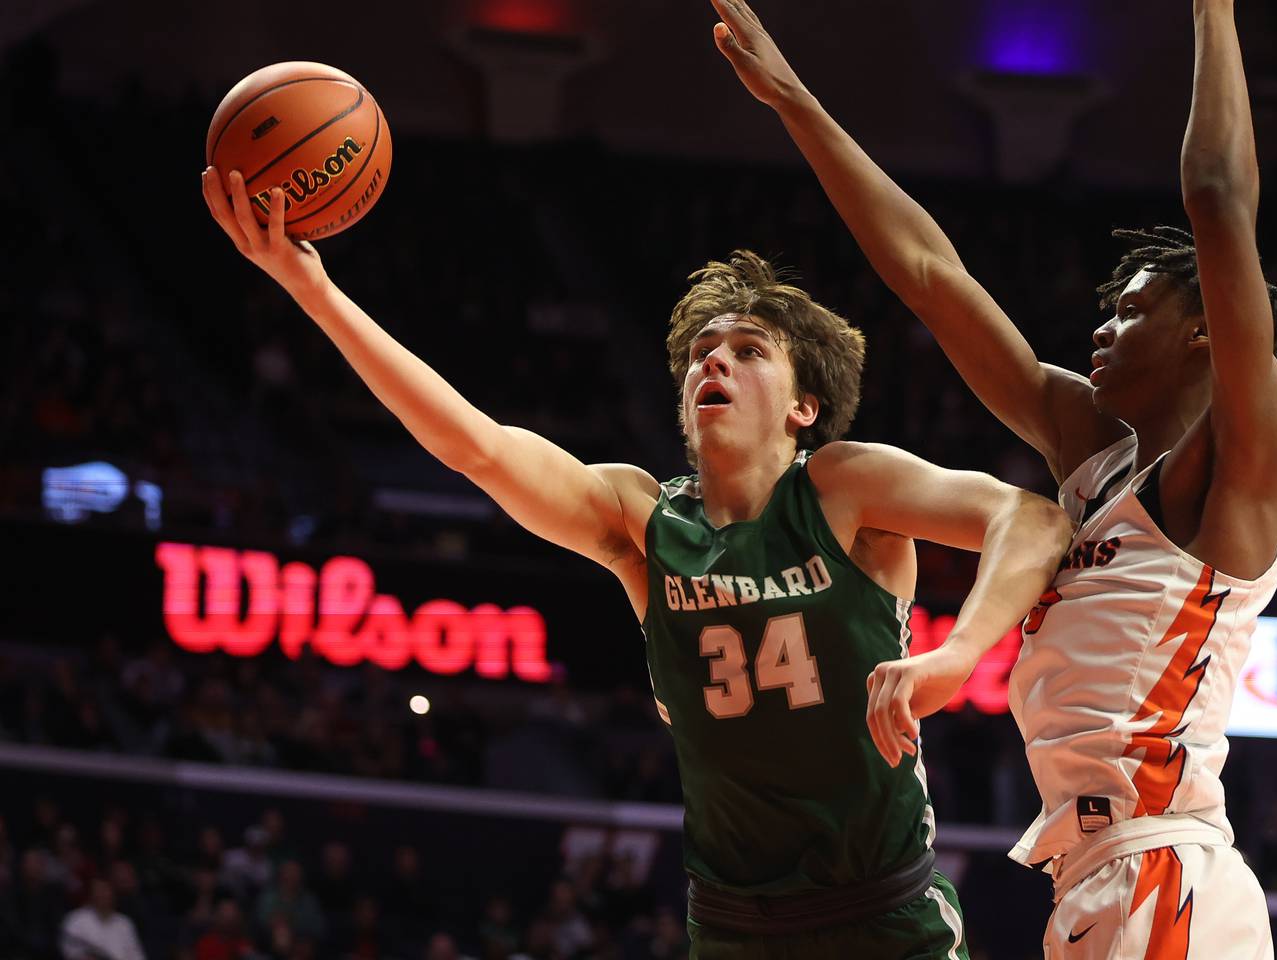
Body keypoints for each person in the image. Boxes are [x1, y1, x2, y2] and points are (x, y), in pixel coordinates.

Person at [201, 154, 1073, 957]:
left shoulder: (843, 490)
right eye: (700, 354)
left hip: (884, 915)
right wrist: (310, 290)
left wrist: (959, 654)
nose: (712, 365)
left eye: (746, 351)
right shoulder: (642, 522)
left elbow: (1030, 517)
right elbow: (478, 448)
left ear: (805, 406)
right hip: (734, 925)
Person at [710, 0, 1277, 955]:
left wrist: (1215, 13)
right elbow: (930, 276)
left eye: (1132, 311)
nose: (1101, 328)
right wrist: (791, 99)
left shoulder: (1234, 472)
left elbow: (1221, 199)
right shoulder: (1093, 458)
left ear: (1202, 332)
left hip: (1166, 872)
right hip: (1096, 878)